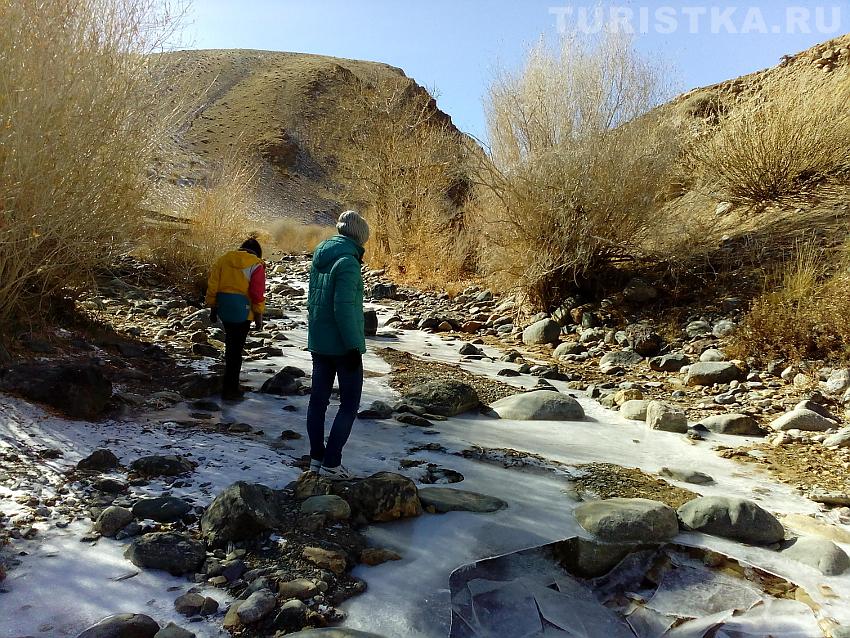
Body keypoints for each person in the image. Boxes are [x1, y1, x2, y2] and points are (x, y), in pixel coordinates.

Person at [306, 210, 370, 479]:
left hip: (320, 342)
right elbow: (343, 308)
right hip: (343, 347)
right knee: (349, 404)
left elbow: (314, 301)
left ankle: (316, 459)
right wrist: (355, 347)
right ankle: (332, 464)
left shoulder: (321, 255)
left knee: (318, 401)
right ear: (359, 237)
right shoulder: (348, 262)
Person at [206, 238, 266, 401]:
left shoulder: (224, 259)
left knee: (230, 345)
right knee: (236, 351)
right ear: (257, 252)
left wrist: (213, 308)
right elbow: (256, 293)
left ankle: (228, 385)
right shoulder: (256, 264)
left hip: (225, 308)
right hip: (243, 312)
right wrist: (259, 316)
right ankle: (230, 390)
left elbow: (213, 286)